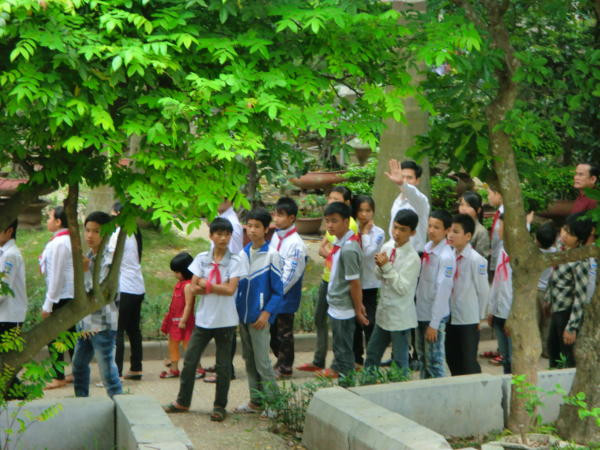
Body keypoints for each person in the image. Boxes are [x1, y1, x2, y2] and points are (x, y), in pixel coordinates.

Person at [163, 217, 247, 422]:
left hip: (226, 321)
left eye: (227, 234)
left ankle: (219, 406)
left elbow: (230, 290)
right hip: (203, 320)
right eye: (219, 234)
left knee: (223, 366)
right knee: (190, 360)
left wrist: (207, 285)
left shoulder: (236, 261)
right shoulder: (201, 259)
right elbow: (193, 287)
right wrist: (213, 286)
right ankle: (183, 401)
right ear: (211, 236)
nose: (223, 238)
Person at [298, 186, 358, 372]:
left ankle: (340, 367)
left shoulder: (348, 228)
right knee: (319, 318)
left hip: (339, 283)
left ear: (347, 203)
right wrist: (328, 253)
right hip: (327, 278)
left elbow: (334, 254)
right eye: (330, 198)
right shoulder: (333, 222)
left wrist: (328, 253)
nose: (331, 202)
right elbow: (322, 248)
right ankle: (320, 361)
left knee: (340, 328)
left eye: (336, 199)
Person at [234, 208, 283, 415]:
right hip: (243, 317)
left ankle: (275, 404)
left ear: (266, 230)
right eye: (249, 226)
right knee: (249, 360)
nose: (252, 230)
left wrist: (266, 313)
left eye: (257, 226)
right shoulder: (242, 254)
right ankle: (256, 401)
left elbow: (278, 291)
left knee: (263, 362)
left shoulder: (272, 255)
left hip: (260, 319)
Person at [72, 211, 122, 398]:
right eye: (87, 230)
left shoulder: (108, 259)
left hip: (102, 323)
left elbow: (99, 295)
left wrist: (86, 271)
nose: (90, 235)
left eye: (96, 231)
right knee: (78, 365)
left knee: (107, 370)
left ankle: (118, 403)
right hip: (86, 322)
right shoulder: (89, 255)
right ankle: (81, 402)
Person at [364, 209, 421, 374]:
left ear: (412, 232)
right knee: (372, 354)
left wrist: (386, 266)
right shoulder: (387, 247)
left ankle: (401, 386)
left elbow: (402, 288)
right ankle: (368, 383)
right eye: (395, 227)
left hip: (400, 316)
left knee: (400, 360)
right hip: (384, 312)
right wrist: (380, 266)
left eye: (403, 230)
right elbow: (378, 276)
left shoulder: (413, 258)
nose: (397, 233)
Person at [316, 202, 368, 379]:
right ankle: (338, 367)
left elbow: (354, 282)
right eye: (327, 221)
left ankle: (346, 378)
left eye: (334, 221)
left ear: (346, 222)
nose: (330, 225)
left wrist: (358, 309)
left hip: (344, 306)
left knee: (343, 344)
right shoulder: (340, 243)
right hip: (337, 303)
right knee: (339, 341)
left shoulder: (349, 249)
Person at [544, 213, 592, 368]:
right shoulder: (561, 247)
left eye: (570, 234)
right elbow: (553, 276)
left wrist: (571, 327)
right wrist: (548, 299)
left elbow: (580, 297)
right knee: (552, 347)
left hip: (566, 312)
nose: (564, 235)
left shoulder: (581, 261)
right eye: (564, 229)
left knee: (566, 354)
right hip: (556, 307)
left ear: (579, 239)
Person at [204, 199, 244, 383]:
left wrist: (222, 287)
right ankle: (222, 364)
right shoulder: (221, 218)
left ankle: (227, 369)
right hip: (218, 284)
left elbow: (230, 258)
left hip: (226, 286)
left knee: (226, 328)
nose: (218, 199)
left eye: (223, 196)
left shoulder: (232, 224)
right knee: (220, 326)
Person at [445, 214, 489, 376]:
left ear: (468, 236)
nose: (450, 235)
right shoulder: (450, 256)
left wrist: (480, 317)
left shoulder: (476, 260)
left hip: (468, 318)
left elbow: (483, 290)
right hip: (451, 315)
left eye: (456, 232)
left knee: (468, 359)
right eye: (450, 230)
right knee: (452, 356)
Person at [269, 197, 307, 379]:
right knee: (273, 332)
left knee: (284, 333)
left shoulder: (296, 244)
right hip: (273, 292)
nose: (276, 218)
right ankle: (280, 361)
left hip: (285, 296)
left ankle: (285, 367)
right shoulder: (276, 236)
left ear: (292, 218)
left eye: (281, 215)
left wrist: (276, 293)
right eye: (275, 214)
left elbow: (291, 274)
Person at [415, 210, 455, 379]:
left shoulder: (446, 256)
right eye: (430, 226)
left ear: (447, 230)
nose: (431, 230)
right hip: (421, 312)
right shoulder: (427, 248)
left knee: (434, 361)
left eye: (437, 227)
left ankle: (442, 392)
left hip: (434, 316)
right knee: (422, 358)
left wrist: (434, 324)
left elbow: (443, 291)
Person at [109, 202, 145, 381]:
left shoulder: (118, 234)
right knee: (133, 330)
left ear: (118, 214)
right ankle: (136, 368)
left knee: (117, 330)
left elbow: (108, 258)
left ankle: (115, 373)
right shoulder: (135, 232)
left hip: (124, 288)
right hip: (137, 286)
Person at [40, 206, 75, 389]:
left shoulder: (60, 243)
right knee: (70, 335)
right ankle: (77, 371)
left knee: (54, 336)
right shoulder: (64, 240)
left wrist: (48, 304)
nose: (47, 221)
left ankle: (58, 376)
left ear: (58, 221)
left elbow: (56, 276)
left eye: (50, 218)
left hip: (61, 296)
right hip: (67, 294)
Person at [352, 195, 384, 367]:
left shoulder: (378, 233)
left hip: (370, 283)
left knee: (369, 322)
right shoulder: (351, 229)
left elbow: (366, 253)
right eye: (361, 210)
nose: (364, 214)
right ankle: (356, 359)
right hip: (353, 283)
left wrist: (364, 234)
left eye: (368, 211)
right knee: (354, 323)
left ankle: (372, 359)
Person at [160, 252, 196, 378]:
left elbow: (189, 305)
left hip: (184, 322)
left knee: (188, 345)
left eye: (177, 272)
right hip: (174, 321)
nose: (175, 274)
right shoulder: (179, 285)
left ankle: (196, 368)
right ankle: (174, 369)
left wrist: (183, 320)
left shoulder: (187, 286)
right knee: (173, 344)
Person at [384, 159, 430, 252]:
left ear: (417, 181)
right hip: (395, 252)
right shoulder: (397, 200)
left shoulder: (421, 201)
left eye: (409, 178)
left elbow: (412, 192)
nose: (405, 180)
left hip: (413, 253)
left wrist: (402, 183)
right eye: (402, 177)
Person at [487, 215, 512, 374]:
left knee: (514, 357)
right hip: (499, 313)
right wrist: (491, 309)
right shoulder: (502, 251)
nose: (498, 230)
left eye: (501, 226)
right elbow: (497, 282)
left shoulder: (521, 255)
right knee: (505, 357)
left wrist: (513, 317)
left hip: (511, 314)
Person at [535, 222, 557, 358]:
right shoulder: (556, 253)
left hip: (534, 291)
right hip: (548, 291)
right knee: (547, 322)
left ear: (537, 240)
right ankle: (546, 350)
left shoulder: (534, 253)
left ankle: (535, 349)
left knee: (535, 320)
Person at [0, 220, 27, 335]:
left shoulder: (10, 255)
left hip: (9, 317)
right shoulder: (4, 253)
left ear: (9, 231)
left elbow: (3, 291)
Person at [458, 191, 490, 260]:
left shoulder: (481, 232)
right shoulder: (454, 226)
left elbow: (482, 259)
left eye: (468, 206)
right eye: (461, 205)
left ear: (478, 210)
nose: (463, 208)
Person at [487, 182, 504, 281]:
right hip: (496, 254)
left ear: (497, 194)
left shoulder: (505, 214)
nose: (488, 197)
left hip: (502, 259)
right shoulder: (499, 212)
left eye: (489, 194)